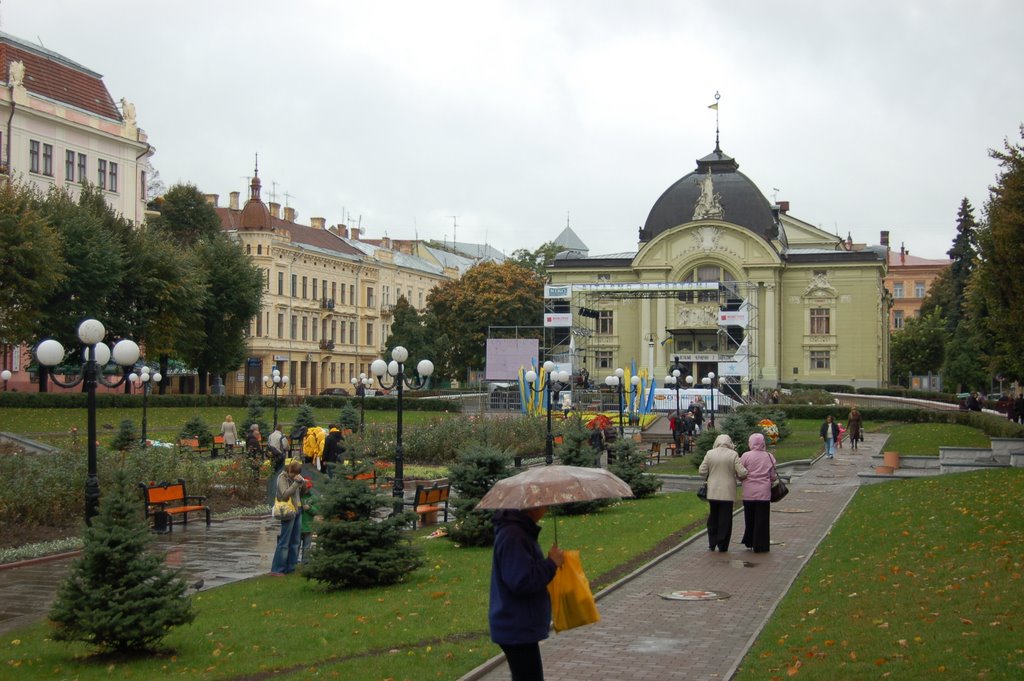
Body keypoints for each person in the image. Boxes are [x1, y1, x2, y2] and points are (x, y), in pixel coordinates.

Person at [489, 507, 564, 681]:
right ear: (532, 507)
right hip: (516, 626)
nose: (546, 509)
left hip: (520, 625)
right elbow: (521, 581)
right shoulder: (513, 536)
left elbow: (523, 571)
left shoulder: (519, 531)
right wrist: (551, 564)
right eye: (543, 504)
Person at [698, 434, 747, 552]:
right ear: (729, 443)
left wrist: (707, 477)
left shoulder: (710, 453)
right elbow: (742, 472)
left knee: (713, 516)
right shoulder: (733, 454)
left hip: (713, 490)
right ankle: (723, 544)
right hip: (728, 491)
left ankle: (712, 542)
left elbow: (701, 471)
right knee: (726, 518)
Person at [740, 433, 778, 553]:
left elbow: (740, 472)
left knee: (749, 518)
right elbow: (772, 476)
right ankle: (761, 544)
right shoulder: (769, 456)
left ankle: (749, 541)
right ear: (763, 443)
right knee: (762, 519)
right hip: (764, 492)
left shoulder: (745, 456)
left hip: (749, 492)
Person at [270, 458, 305, 576]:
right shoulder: (282, 478)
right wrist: (296, 483)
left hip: (298, 509)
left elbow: (301, 494)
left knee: (295, 541)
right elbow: (284, 494)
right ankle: (278, 569)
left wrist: (303, 484)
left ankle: (291, 567)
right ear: (289, 470)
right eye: (293, 473)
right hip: (288, 511)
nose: (294, 476)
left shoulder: (296, 478)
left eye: (297, 474)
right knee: (284, 541)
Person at [298, 478, 320, 564]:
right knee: (296, 545)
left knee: (307, 546)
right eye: (305, 488)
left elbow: (317, 510)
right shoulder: (298, 497)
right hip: (299, 525)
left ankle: (305, 561)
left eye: (308, 488)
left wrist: (310, 508)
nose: (306, 490)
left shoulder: (313, 498)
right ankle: (293, 561)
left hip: (308, 526)